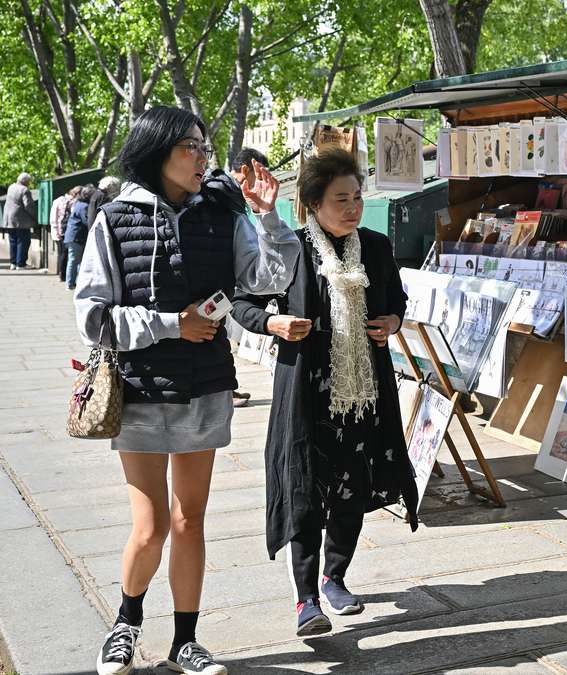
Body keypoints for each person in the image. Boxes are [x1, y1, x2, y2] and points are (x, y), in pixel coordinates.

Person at [74, 106, 300, 675]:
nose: (203, 158)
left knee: (189, 521)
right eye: (190, 148)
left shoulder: (222, 214)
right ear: (158, 152)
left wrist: (269, 218)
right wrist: (174, 323)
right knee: (149, 527)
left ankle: (185, 642)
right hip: (142, 388)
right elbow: (92, 317)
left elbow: (267, 280)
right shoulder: (114, 216)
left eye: (204, 147)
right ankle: (125, 625)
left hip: (205, 386)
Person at [230, 148, 419, 638]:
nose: (353, 207)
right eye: (341, 199)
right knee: (306, 492)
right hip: (307, 393)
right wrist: (273, 321)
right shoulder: (289, 249)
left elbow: (396, 299)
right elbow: (243, 304)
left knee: (352, 489)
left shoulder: (375, 247)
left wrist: (393, 321)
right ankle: (306, 597)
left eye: (357, 197)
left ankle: (336, 576)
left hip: (363, 393)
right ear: (314, 203)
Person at [224, 146, 271, 408]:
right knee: (218, 336)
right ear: (246, 171)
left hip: (226, 282)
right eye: (260, 176)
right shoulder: (229, 196)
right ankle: (226, 391)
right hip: (223, 283)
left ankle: (227, 389)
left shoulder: (229, 195)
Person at [63, 185, 96, 290]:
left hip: (73, 236)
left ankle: (75, 282)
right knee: (74, 260)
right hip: (76, 236)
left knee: (76, 260)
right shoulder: (84, 206)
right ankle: (70, 283)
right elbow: (86, 221)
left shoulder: (78, 203)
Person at [4, 173, 37, 269]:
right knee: (23, 241)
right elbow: (28, 206)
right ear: (26, 181)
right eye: (29, 182)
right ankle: (21, 263)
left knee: (13, 241)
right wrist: (34, 216)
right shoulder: (24, 190)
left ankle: (13, 263)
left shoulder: (11, 187)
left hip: (9, 219)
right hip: (21, 220)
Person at [50, 185, 81, 281]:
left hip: (64, 231)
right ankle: (62, 274)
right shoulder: (61, 201)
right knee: (64, 253)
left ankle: (62, 274)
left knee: (64, 253)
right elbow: (54, 217)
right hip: (62, 231)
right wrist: (56, 231)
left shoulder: (61, 201)